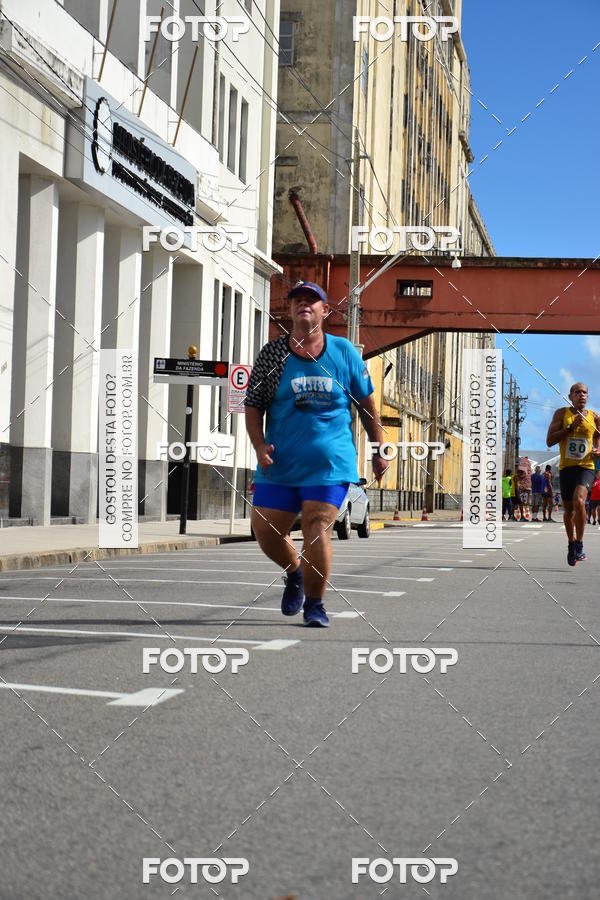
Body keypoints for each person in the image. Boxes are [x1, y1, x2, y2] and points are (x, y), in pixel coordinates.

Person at [244, 281, 388, 627]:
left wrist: (379, 448)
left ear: (325, 311)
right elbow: (253, 407)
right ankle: (294, 572)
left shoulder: (343, 353)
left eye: (312, 300)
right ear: (289, 310)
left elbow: (368, 407)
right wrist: (259, 446)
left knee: (316, 526)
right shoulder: (273, 355)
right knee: (265, 530)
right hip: (280, 464)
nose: (304, 305)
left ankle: (315, 604)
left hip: (330, 464)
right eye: (297, 300)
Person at [546, 382, 600, 565]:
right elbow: (549, 440)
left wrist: (598, 448)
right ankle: (571, 544)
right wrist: (570, 428)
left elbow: (598, 436)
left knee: (579, 500)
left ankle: (579, 543)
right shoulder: (561, 414)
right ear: (570, 396)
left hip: (586, 467)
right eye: (577, 392)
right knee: (568, 510)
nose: (581, 395)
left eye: (585, 392)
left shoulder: (594, 417)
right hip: (566, 468)